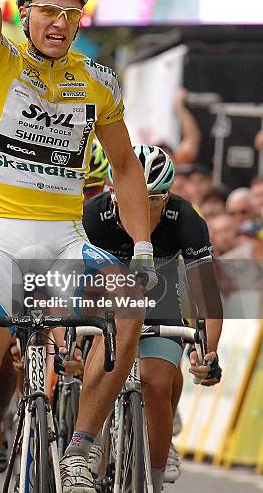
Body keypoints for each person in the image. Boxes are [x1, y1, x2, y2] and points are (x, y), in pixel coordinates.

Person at [0, 0, 156, 493]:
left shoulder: (96, 81)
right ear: (26, 11)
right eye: (48, 9)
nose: (59, 23)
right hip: (1, 239)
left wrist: (142, 248)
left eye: (71, 13)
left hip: (65, 243)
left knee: (132, 302)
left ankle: (80, 449)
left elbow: (123, 167)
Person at [83, 145, 223, 493]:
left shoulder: (186, 219)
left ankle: (154, 480)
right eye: (133, 198)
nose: (143, 209)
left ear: (169, 194)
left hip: (160, 297)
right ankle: (84, 447)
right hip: (105, 299)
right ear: (114, 192)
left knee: (156, 383)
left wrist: (208, 350)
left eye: (154, 199)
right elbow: (69, 290)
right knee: (94, 361)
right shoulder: (93, 217)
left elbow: (206, 294)